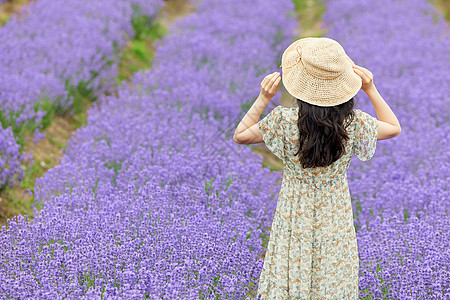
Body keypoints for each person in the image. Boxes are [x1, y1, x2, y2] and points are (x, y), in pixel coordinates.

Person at [233, 37, 401, 299]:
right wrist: (371, 89)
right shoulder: (352, 125)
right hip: (335, 211)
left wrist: (264, 97)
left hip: (294, 210)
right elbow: (393, 127)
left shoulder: (284, 121)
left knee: (291, 269)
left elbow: (241, 135)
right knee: (333, 271)